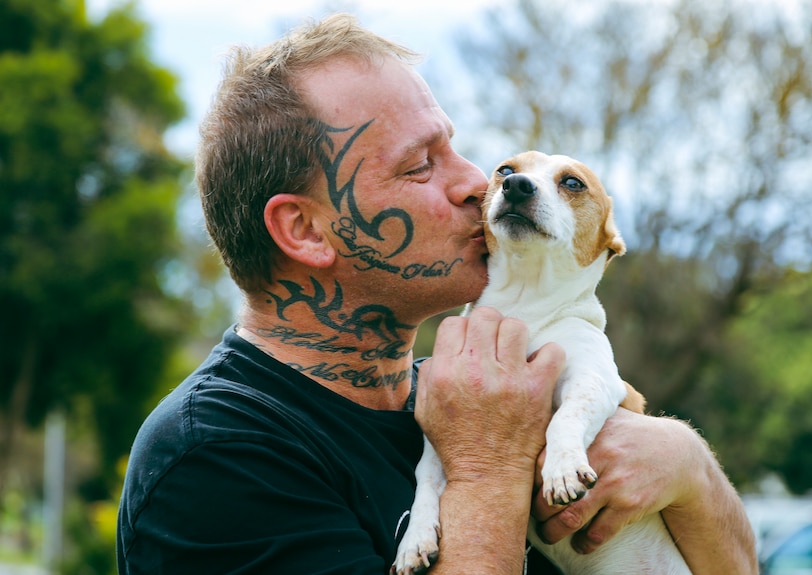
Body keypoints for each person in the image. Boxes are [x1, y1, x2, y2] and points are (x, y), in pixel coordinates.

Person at [116, 13, 757, 575]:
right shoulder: (215, 459)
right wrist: (484, 474)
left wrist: (690, 468)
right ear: (305, 231)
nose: (479, 182)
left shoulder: (477, 390)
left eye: (455, 148)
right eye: (420, 164)